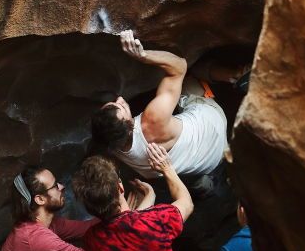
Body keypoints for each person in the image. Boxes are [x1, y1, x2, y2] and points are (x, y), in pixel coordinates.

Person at [90, 30, 236, 189]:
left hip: (205, 164)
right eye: (121, 107)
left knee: (187, 174)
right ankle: (236, 74)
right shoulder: (152, 119)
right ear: (129, 125)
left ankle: (203, 187)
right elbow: (180, 66)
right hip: (214, 129)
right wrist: (143, 55)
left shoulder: (111, 144)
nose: (120, 99)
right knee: (191, 74)